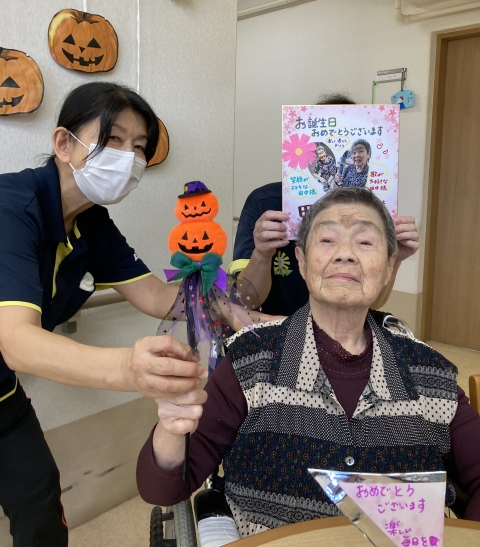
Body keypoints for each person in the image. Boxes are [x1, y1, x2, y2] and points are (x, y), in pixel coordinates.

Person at [137, 187, 480, 536]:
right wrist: (172, 425)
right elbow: (163, 490)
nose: (345, 254)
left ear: (390, 266)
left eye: (365, 242)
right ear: (301, 261)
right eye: (327, 240)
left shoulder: (431, 374)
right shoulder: (250, 361)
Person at [0, 82, 209, 546]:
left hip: (2, 395)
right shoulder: (11, 206)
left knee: (38, 499)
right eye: (114, 139)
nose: (129, 158)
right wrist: (130, 369)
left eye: (139, 147)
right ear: (63, 143)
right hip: (8, 366)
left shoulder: (91, 221)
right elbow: (16, 341)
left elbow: (156, 295)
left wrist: (233, 305)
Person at [230, 94, 418, 316]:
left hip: (343, 333)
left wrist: (394, 259)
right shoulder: (266, 205)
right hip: (274, 331)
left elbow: (373, 302)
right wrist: (262, 255)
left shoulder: (372, 212)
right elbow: (245, 301)